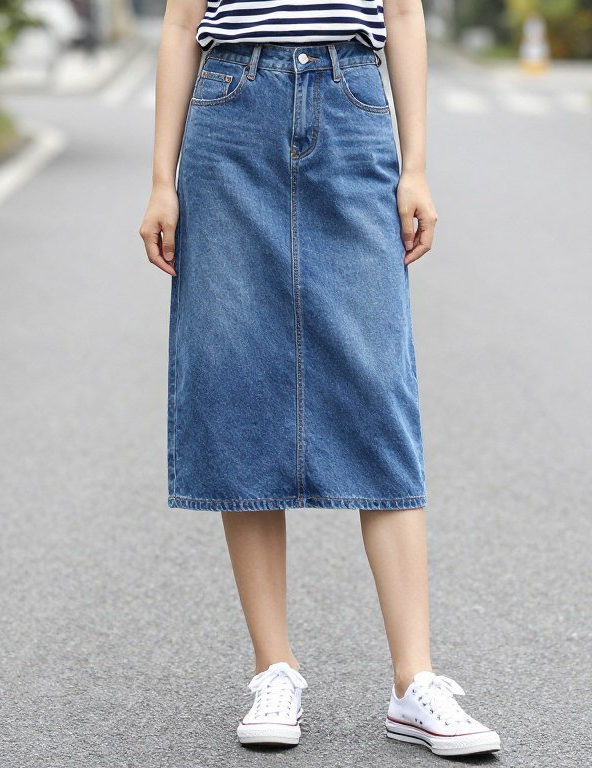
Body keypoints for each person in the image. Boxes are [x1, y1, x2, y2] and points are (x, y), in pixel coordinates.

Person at [138, 0, 502, 757]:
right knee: (238, 380)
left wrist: (417, 168)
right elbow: (180, 23)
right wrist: (161, 181)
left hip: (354, 102)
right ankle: (274, 667)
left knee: (378, 390)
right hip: (229, 110)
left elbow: (403, 12)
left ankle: (415, 682)